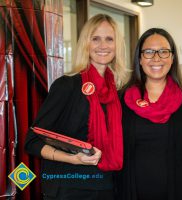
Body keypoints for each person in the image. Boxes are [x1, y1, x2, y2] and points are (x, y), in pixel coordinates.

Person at [25, 14, 128, 200]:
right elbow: (32, 141)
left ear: (117, 46)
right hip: (68, 187)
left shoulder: (118, 93)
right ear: (85, 44)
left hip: (106, 186)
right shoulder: (67, 86)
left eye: (109, 39)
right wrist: (73, 158)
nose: (103, 45)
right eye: (95, 38)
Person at [116, 28, 182, 200]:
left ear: (172, 57)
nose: (156, 58)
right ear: (139, 58)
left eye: (163, 51)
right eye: (148, 52)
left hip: (179, 192)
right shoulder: (121, 99)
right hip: (129, 192)